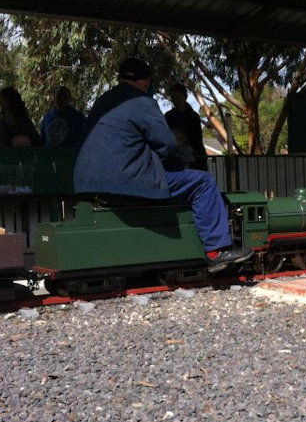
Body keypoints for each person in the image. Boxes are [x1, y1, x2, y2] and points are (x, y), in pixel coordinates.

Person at [74, 58, 252, 272]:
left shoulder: (102, 100)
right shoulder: (142, 101)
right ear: (146, 82)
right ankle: (216, 252)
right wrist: (178, 161)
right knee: (203, 182)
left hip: (88, 184)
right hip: (126, 182)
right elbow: (167, 145)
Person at [164, 83, 207, 169]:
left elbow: (197, 139)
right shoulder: (168, 116)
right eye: (173, 98)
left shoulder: (193, 116)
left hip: (195, 159)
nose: (176, 101)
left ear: (185, 97)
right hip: (175, 158)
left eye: (178, 97)